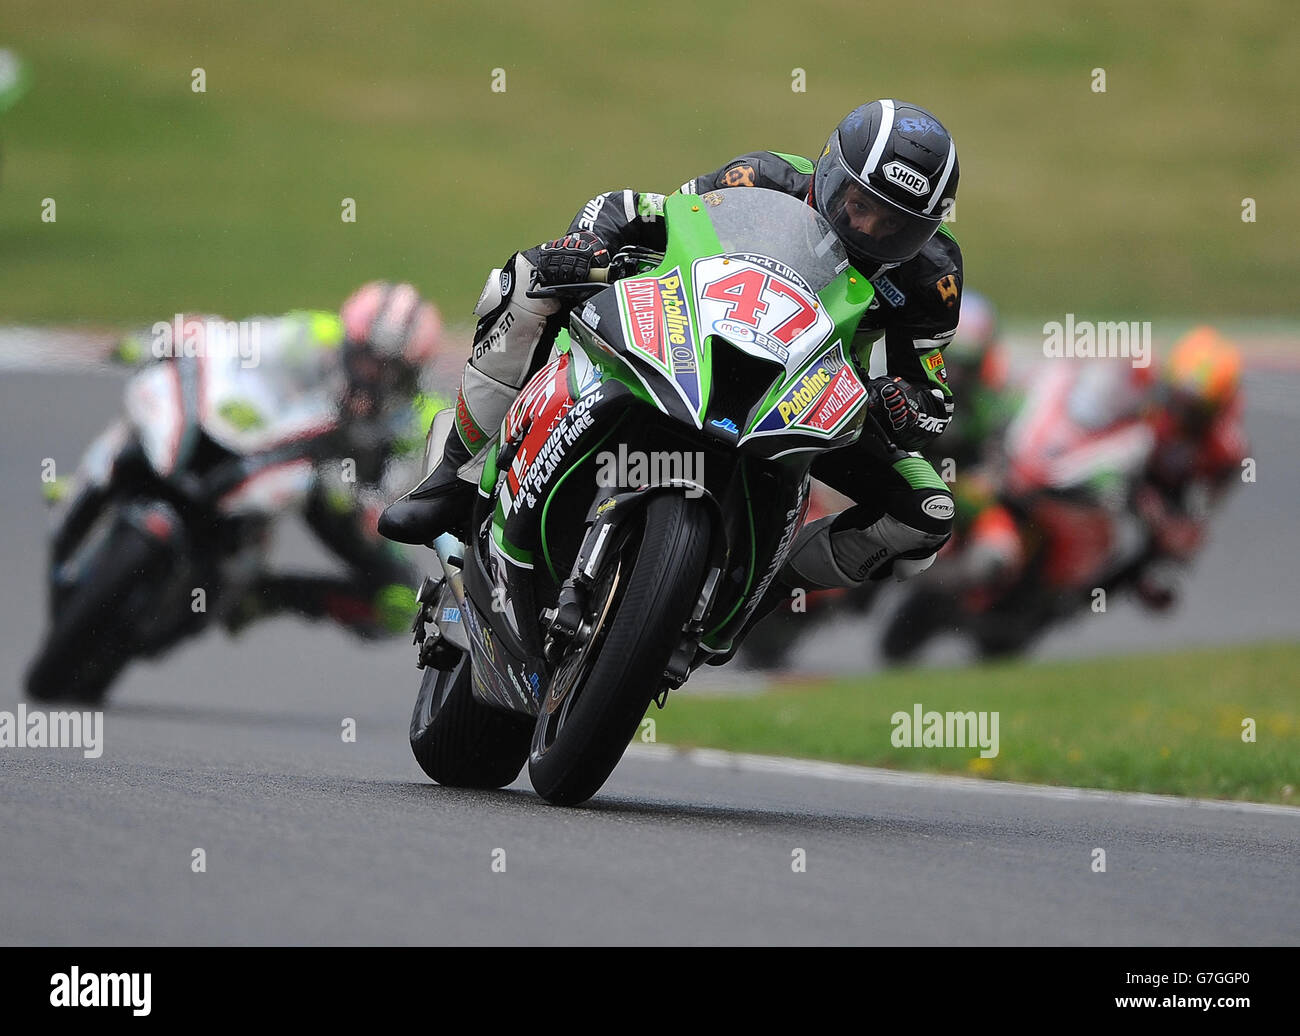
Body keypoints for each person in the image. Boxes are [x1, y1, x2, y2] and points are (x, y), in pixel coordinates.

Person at [381, 99, 964, 594]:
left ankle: (770, 588)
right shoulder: (760, 178)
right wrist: (587, 246)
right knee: (529, 277)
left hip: (810, 393)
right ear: (830, 173)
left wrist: (905, 403)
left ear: (927, 230)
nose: (868, 231)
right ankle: (455, 473)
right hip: (681, 334)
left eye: (896, 226)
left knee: (928, 517)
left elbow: (931, 394)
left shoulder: (932, 277)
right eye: (860, 207)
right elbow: (633, 210)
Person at [74, 283, 446, 638]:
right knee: (157, 403)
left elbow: (403, 497)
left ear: (413, 376)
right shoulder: (312, 335)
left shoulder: (422, 418)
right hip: (267, 444)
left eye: (389, 372)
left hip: (336, 493)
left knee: (398, 603)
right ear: (348, 341)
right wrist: (174, 337)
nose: (372, 378)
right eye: (366, 360)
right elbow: (228, 343)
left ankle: (263, 598)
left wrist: (373, 507)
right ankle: (93, 479)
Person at [1132, 326, 1248, 609]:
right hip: (1124, 472)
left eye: (1197, 408)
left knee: (1173, 561)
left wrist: (1175, 530)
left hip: (1168, 496)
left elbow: (1206, 505)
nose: (1184, 413)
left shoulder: (1225, 447)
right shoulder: (1144, 403)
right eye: (1180, 399)